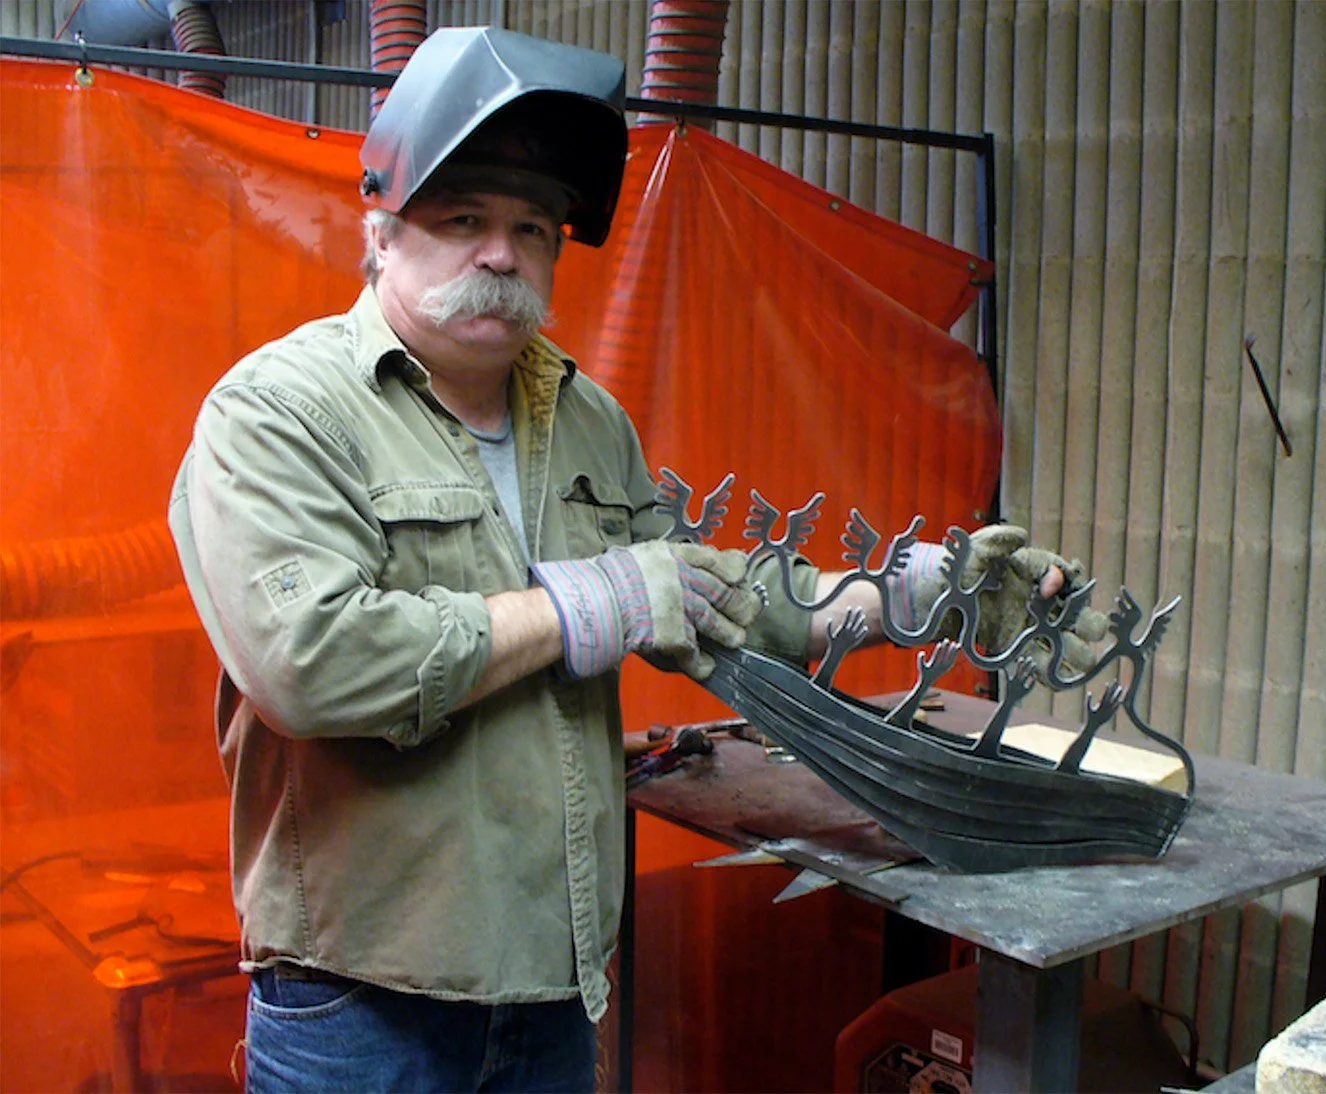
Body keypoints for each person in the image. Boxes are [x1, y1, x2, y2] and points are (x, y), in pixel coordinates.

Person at [168, 26, 1101, 1094]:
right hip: (365, 1007)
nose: (501, 253)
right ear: (379, 230)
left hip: (554, 992)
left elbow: (708, 599)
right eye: (463, 218)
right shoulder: (281, 413)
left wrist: (912, 595)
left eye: (532, 227)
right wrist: (583, 603)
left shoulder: (586, 418)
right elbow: (307, 663)